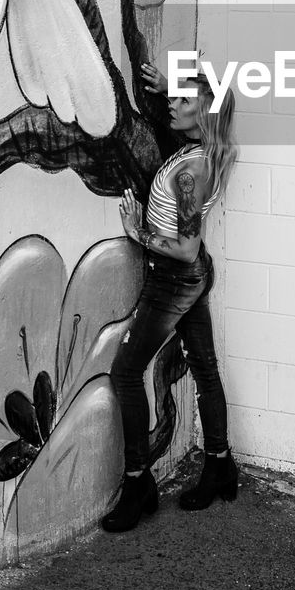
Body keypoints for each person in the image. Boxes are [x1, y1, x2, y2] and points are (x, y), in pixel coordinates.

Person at [101, 61, 238, 533]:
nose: (172, 106)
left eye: (183, 101)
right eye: (174, 98)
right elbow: (183, 109)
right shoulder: (202, 151)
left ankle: (138, 483)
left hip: (175, 278)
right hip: (189, 279)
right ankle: (220, 464)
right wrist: (170, 86)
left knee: (124, 372)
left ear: (204, 113)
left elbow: (185, 246)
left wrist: (136, 231)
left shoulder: (191, 169)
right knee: (205, 369)